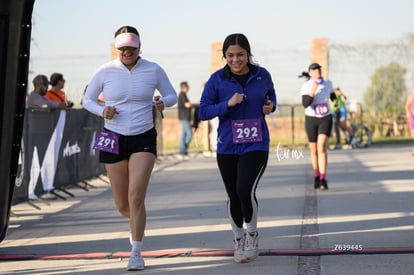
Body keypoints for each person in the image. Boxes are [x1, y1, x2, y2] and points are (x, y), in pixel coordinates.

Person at [82, 25, 177, 271]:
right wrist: (103, 110)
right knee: (123, 203)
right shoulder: (105, 71)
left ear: (139, 47)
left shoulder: (153, 69)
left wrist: (161, 102)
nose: (127, 52)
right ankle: (137, 221)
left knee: (136, 195)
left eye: (131, 48)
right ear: (116, 48)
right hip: (113, 136)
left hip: (143, 136)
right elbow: (87, 100)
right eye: (122, 48)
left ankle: (136, 251)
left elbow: (172, 95)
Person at [199, 33, 277, 264]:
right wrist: (227, 104)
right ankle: (238, 239)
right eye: (230, 55)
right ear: (224, 56)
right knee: (233, 195)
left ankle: (252, 234)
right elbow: (203, 112)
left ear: (248, 54)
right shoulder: (216, 80)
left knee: (245, 190)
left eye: (240, 55)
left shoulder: (262, 75)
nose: (236, 60)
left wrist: (271, 106)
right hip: (227, 146)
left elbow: (271, 96)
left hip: (256, 143)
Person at [301, 63, 336, 190]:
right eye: (314, 70)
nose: (317, 72)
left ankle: (323, 178)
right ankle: (316, 175)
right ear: (310, 73)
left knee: (321, 147)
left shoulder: (328, 83)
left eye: (319, 69)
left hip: (325, 117)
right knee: (314, 149)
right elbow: (305, 104)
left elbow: (332, 94)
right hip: (311, 119)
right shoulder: (306, 86)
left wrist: (334, 100)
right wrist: (312, 91)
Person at [177, 81, 193, 157]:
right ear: (184, 87)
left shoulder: (184, 95)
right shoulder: (182, 95)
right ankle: (183, 150)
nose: (188, 88)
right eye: (187, 86)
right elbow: (187, 105)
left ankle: (182, 151)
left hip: (185, 118)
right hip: (184, 118)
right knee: (189, 134)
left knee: (184, 134)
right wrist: (196, 105)